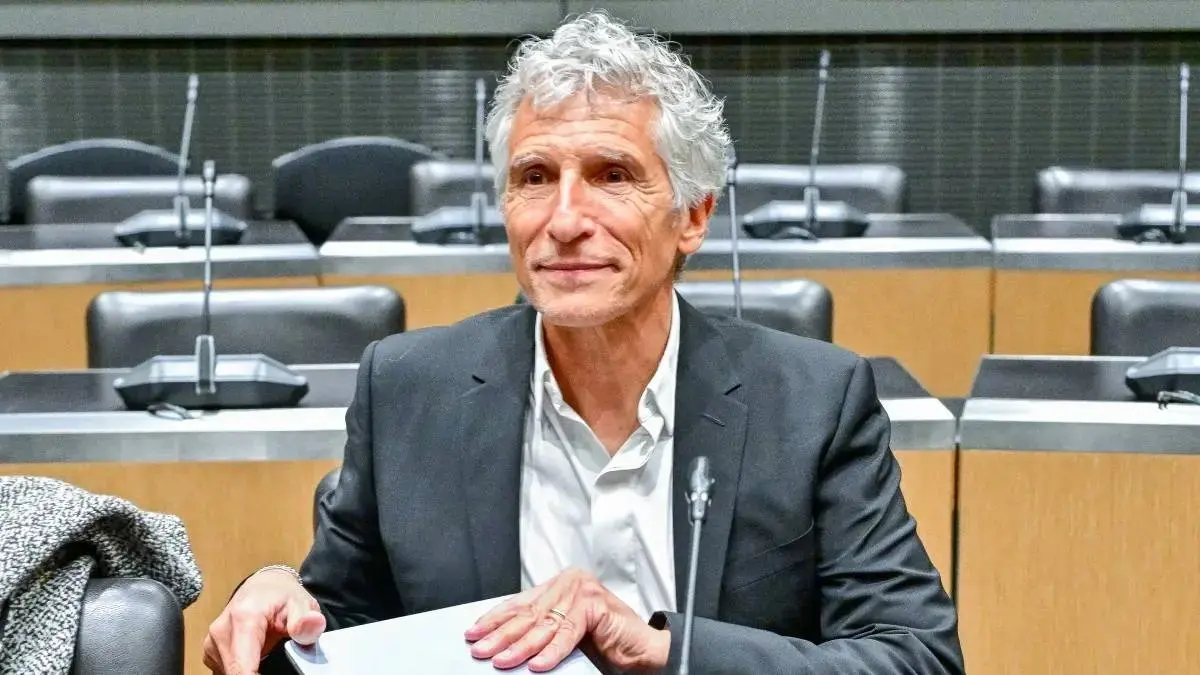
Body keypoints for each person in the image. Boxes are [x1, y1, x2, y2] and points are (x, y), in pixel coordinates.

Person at [203, 10, 963, 675]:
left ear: (694, 216)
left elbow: (914, 655)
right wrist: (276, 597)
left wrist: (665, 651)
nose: (564, 220)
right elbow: (340, 622)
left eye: (613, 175)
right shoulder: (406, 386)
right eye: (535, 177)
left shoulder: (812, 402)